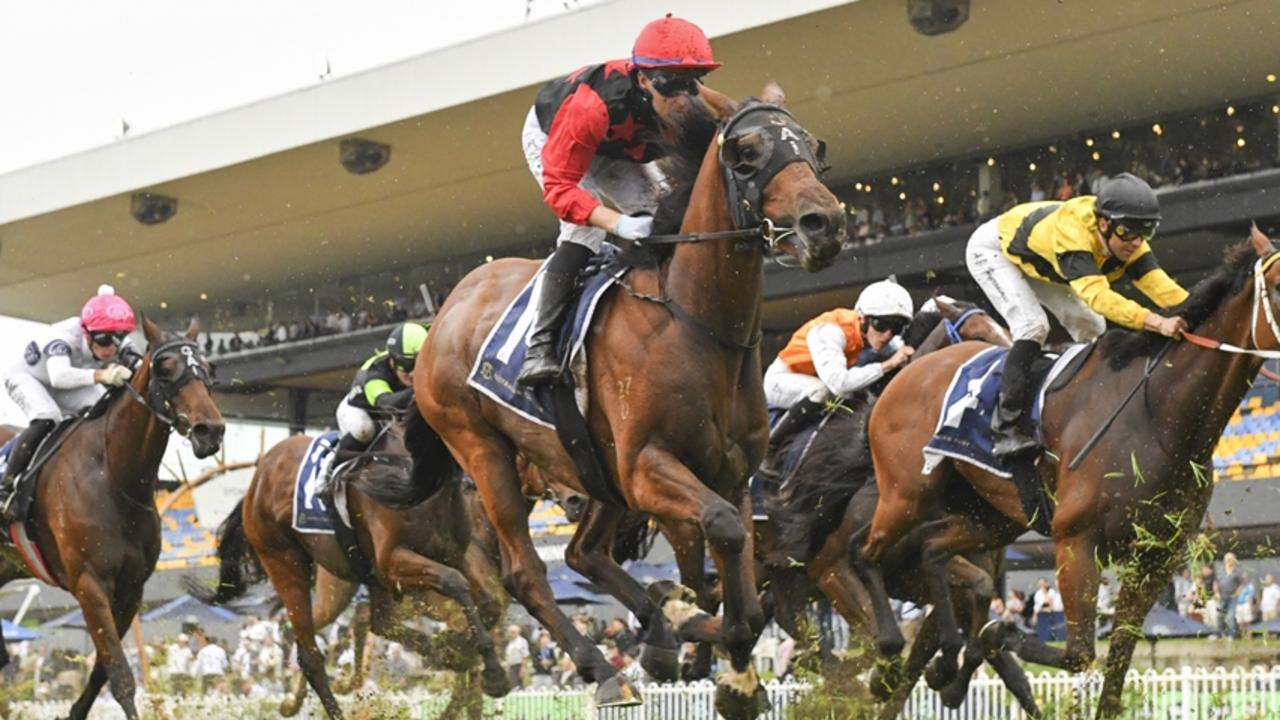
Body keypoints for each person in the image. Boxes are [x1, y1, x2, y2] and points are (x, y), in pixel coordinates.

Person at [516, 14, 722, 386]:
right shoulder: (589, 108)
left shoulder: (683, 97)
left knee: (664, 212)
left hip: (617, 149)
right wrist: (616, 223)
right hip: (556, 137)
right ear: (643, 80)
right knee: (585, 233)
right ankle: (539, 346)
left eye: (691, 85)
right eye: (671, 86)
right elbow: (560, 189)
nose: (682, 100)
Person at [965, 173, 1189, 467]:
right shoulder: (1074, 234)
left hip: (1042, 261)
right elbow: (1099, 297)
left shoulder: (1127, 237)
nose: (1136, 242)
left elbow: (1163, 289)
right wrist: (1156, 322)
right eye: (1128, 232)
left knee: (1092, 327)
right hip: (994, 252)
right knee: (1033, 326)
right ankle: (1007, 429)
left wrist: (1200, 312)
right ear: (1104, 224)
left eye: (1145, 233)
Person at [0, 284, 138, 521]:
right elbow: (59, 376)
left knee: (101, 410)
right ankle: (6, 485)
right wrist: (103, 375)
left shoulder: (114, 338)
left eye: (119, 338)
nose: (112, 347)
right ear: (86, 332)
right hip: (31, 378)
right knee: (47, 417)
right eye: (104, 339)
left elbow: (139, 364)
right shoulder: (64, 337)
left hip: (69, 380)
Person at [758, 279, 915, 480]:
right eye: (881, 324)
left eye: (896, 328)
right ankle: (769, 448)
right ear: (862, 318)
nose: (887, 335)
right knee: (822, 392)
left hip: (817, 381)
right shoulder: (831, 330)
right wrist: (888, 365)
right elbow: (839, 384)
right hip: (783, 381)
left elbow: (904, 347)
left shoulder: (871, 332)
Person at [333, 322, 426, 458]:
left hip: (395, 411)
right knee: (364, 430)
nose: (412, 373)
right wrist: (421, 389)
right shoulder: (375, 374)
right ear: (392, 361)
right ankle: (331, 469)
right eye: (406, 365)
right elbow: (386, 404)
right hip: (362, 410)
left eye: (419, 364)